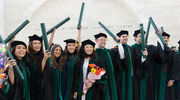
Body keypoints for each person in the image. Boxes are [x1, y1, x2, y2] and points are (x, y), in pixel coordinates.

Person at [110, 30, 135, 100]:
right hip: (121, 75)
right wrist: (119, 44)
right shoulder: (114, 50)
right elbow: (121, 58)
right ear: (119, 38)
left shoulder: (131, 48)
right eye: (123, 36)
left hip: (131, 75)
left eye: (126, 36)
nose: (125, 38)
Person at [154, 31, 179, 100]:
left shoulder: (172, 52)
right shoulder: (155, 50)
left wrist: (172, 79)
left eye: (166, 38)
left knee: (168, 95)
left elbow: (175, 66)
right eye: (163, 37)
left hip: (168, 77)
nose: (165, 39)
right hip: (157, 77)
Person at [27, 34, 53, 100]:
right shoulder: (26, 56)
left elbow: (42, 72)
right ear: (30, 44)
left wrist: (52, 34)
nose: (37, 45)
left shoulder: (42, 56)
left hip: (42, 85)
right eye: (34, 43)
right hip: (31, 85)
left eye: (39, 43)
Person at [94, 33, 118, 100]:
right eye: (101, 40)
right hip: (100, 82)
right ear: (96, 41)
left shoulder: (108, 52)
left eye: (104, 40)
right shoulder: (94, 53)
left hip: (111, 79)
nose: (103, 41)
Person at [60, 27, 81, 100]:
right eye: (69, 45)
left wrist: (75, 89)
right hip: (62, 84)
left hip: (72, 86)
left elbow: (77, 75)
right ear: (66, 46)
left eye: (73, 45)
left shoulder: (77, 58)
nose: (71, 47)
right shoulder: (63, 56)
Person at [131, 29, 148, 100]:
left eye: (143, 36)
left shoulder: (148, 47)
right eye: (140, 36)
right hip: (136, 74)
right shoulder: (132, 48)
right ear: (135, 38)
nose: (142, 37)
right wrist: (143, 56)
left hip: (147, 73)